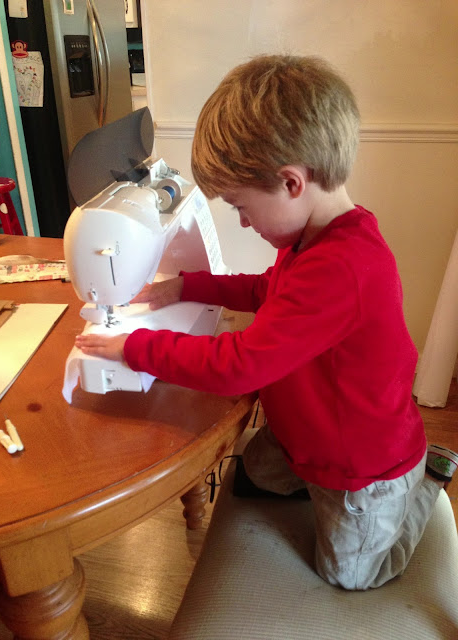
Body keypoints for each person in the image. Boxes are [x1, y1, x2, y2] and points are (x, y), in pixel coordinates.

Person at [75, 54, 458, 590]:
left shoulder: (343, 267)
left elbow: (239, 367)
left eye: (241, 206)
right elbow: (267, 290)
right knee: (250, 476)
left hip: (360, 468)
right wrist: (188, 286)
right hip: (306, 433)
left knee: (350, 575)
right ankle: (314, 472)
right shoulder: (312, 239)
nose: (242, 221)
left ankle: (426, 482)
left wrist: (135, 347)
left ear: (291, 183)